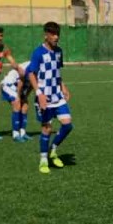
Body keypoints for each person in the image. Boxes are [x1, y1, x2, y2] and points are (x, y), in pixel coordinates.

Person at [28, 22, 72, 174]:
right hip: (44, 97)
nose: (56, 37)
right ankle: (43, 160)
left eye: (57, 34)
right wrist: (39, 94)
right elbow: (31, 74)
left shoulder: (59, 51)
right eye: (53, 34)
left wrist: (63, 87)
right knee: (47, 128)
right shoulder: (38, 52)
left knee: (67, 125)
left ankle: (53, 150)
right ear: (45, 35)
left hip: (57, 96)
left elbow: (57, 73)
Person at [0, 63, 30, 142]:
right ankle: (15, 134)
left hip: (18, 85)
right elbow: (21, 82)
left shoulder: (41, 67)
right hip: (9, 84)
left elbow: (32, 85)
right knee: (17, 104)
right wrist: (19, 97)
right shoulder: (31, 67)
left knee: (25, 106)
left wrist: (25, 96)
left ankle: (23, 133)